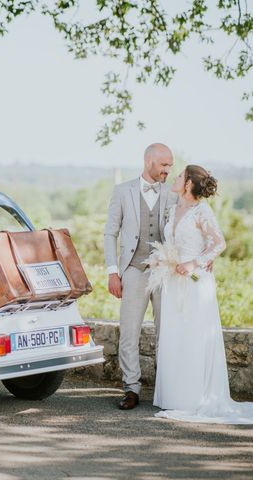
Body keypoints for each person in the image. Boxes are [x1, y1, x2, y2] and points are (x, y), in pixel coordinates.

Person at [153, 165, 253, 425]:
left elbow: (218, 243)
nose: (174, 178)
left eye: (179, 176)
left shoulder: (201, 211)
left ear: (187, 184)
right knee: (175, 337)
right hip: (173, 283)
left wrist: (195, 263)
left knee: (194, 338)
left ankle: (194, 400)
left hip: (195, 283)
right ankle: (174, 397)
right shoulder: (174, 209)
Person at [103, 143, 176, 410]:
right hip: (133, 270)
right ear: (149, 162)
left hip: (164, 272)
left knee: (166, 331)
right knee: (129, 332)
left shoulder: (173, 193)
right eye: (164, 164)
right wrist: (113, 272)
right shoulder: (122, 191)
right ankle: (131, 388)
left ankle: (166, 389)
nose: (168, 170)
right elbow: (110, 233)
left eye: (170, 165)